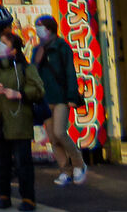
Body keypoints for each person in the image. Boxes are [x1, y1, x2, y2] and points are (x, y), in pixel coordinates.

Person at [0, 25, 45, 210]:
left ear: (14, 49)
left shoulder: (24, 67)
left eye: (4, 43)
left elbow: (39, 90)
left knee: (23, 163)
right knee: (0, 163)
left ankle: (28, 199)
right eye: (0, 42)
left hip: (19, 121)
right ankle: (3, 196)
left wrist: (20, 93)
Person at [32, 14, 86, 186]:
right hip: (44, 97)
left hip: (62, 97)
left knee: (60, 132)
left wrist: (71, 96)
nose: (38, 29)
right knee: (53, 138)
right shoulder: (37, 49)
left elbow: (70, 72)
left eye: (41, 26)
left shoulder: (62, 47)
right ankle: (65, 171)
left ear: (49, 28)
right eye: (37, 25)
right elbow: (33, 74)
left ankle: (79, 164)